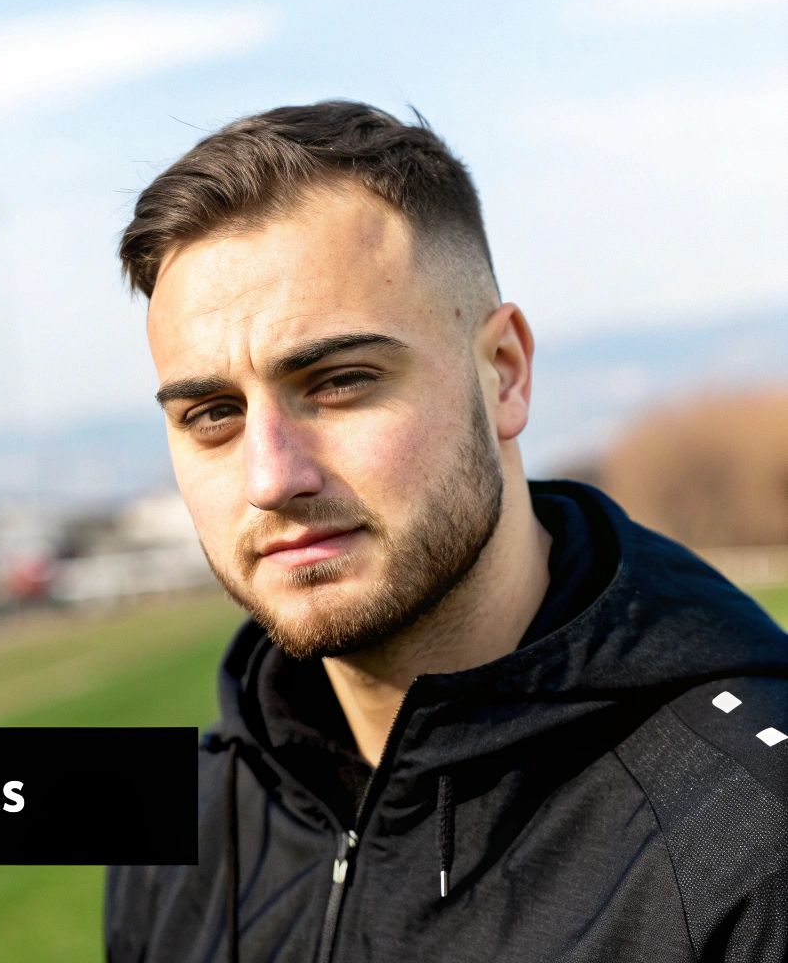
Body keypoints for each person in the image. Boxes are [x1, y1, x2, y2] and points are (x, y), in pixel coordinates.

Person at [105, 101, 788, 962]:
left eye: (341, 381)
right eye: (210, 413)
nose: (272, 477)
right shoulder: (186, 832)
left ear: (503, 373)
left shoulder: (753, 840)